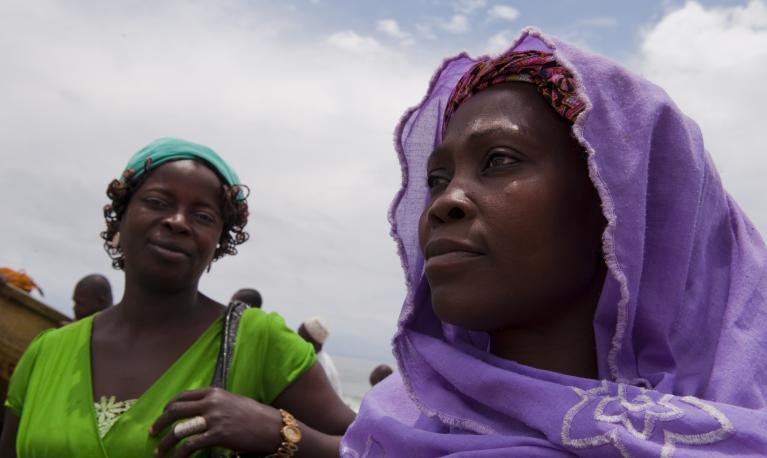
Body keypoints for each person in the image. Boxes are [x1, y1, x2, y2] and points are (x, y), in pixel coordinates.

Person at [341, 29, 767, 456]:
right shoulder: (390, 428)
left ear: (621, 208)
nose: (445, 201)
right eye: (437, 179)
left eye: (499, 160)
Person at [1, 138, 354, 457]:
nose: (177, 221)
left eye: (203, 216)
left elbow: (381, 448)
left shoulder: (259, 342)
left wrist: (280, 433)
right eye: (157, 202)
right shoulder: (45, 353)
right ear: (120, 218)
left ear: (219, 241)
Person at [298, 318, 343, 397]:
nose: (296, 339)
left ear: (309, 341)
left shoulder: (321, 367)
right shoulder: (314, 359)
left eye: (300, 336)